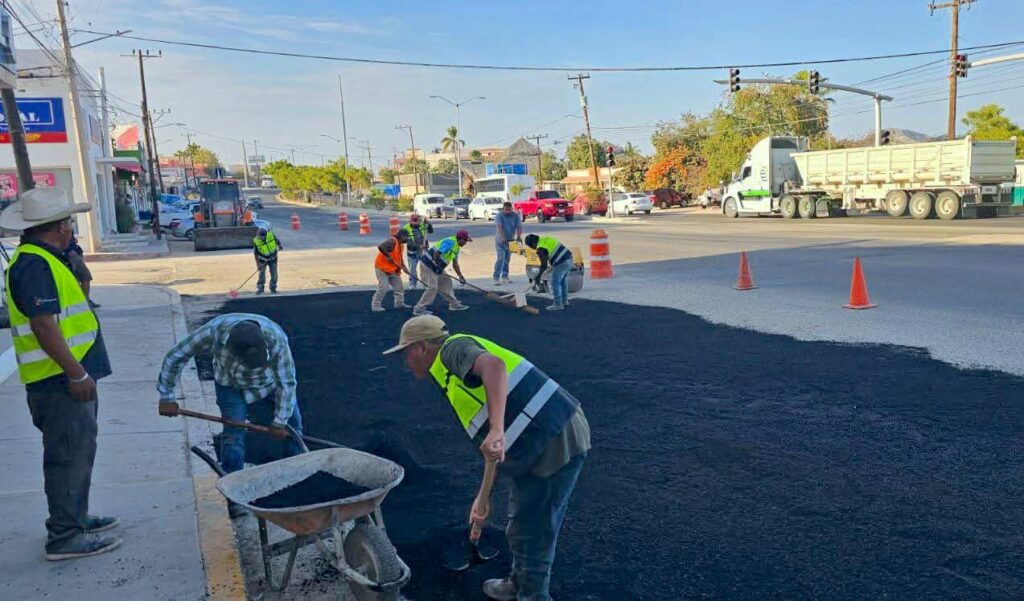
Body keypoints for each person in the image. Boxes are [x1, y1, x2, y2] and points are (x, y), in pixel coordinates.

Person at [383, 316, 590, 601]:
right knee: (522, 524)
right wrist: (484, 498)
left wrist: (496, 429)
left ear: (421, 347)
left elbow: (494, 366)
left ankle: (533, 596)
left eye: (406, 353)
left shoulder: (452, 350)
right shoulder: (449, 375)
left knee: (534, 530)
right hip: (536, 440)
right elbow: (492, 448)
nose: (406, 362)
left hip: (554, 436)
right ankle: (520, 583)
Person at [0, 187, 119, 561]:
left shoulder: (45, 258)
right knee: (67, 457)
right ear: (59, 228)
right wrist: (77, 374)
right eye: (68, 222)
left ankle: (75, 519)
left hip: (64, 378)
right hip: (59, 382)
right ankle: (65, 536)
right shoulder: (34, 265)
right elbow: (43, 325)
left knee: (78, 453)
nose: (71, 228)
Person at [156, 314, 303, 517]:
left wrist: (280, 421)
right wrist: (166, 396)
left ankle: (299, 480)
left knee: (293, 432)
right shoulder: (213, 332)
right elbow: (176, 355)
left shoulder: (276, 338)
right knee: (233, 437)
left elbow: (287, 383)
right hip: (231, 387)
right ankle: (235, 496)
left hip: (268, 387)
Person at [412, 229, 472, 316]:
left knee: (447, 281)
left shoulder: (457, 248)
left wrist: (460, 276)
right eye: (465, 240)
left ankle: (454, 304)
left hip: (437, 267)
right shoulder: (450, 242)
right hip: (428, 265)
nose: (466, 243)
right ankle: (419, 309)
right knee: (433, 287)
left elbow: (455, 264)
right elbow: (437, 253)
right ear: (460, 239)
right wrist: (437, 266)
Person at [524, 234, 573, 311]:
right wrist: (552, 265)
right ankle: (564, 301)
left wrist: (538, 277)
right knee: (562, 281)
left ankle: (558, 304)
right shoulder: (545, 239)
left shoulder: (541, 248)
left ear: (532, 243)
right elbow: (552, 253)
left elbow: (544, 265)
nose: (532, 248)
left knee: (555, 282)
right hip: (569, 259)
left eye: (530, 246)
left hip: (562, 262)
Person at [372, 229, 410, 312]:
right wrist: (387, 256)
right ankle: (376, 306)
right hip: (382, 268)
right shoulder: (393, 241)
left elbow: (400, 259)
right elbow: (381, 246)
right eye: (407, 237)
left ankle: (399, 304)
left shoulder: (401, 246)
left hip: (392, 269)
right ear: (402, 236)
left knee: (399, 287)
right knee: (384, 287)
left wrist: (404, 268)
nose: (408, 239)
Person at [64, 234, 99, 309]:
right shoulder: (58, 228)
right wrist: (67, 250)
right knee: (72, 280)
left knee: (86, 277)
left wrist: (73, 241)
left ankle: (85, 300)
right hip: (66, 255)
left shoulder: (68, 228)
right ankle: (78, 302)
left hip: (75, 253)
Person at [493, 202, 522, 286]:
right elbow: (499, 227)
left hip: (510, 241)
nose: (508, 211)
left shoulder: (515, 216)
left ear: (512, 209)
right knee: (500, 258)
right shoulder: (499, 216)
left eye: (509, 210)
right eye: (506, 210)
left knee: (507, 259)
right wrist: (502, 237)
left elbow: (519, 227)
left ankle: (505, 276)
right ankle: (496, 277)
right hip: (500, 241)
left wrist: (519, 236)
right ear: (503, 209)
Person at [402, 213, 433, 288]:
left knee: (425, 267)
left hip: (423, 251)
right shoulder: (405, 228)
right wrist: (419, 246)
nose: (416, 224)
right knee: (412, 268)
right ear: (410, 221)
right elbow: (407, 241)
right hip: (412, 251)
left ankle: (425, 283)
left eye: (417, 222)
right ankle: (412, 284)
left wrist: (428, 223)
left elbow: (431, 231)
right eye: (414, 223)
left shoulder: (423, 226)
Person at [253, 227, 282, 294]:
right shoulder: (256, 240)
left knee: (274, 274)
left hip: (273, 258)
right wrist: (258, 264)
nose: (260, 238)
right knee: (261, 274)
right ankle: (260, 288)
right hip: (262, 259)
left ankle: (273, 288)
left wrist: (280, 246)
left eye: (261, 237)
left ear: (265, 235)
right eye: (259, 237)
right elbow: (255, 253)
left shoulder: (270, 236)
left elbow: (277, 241)